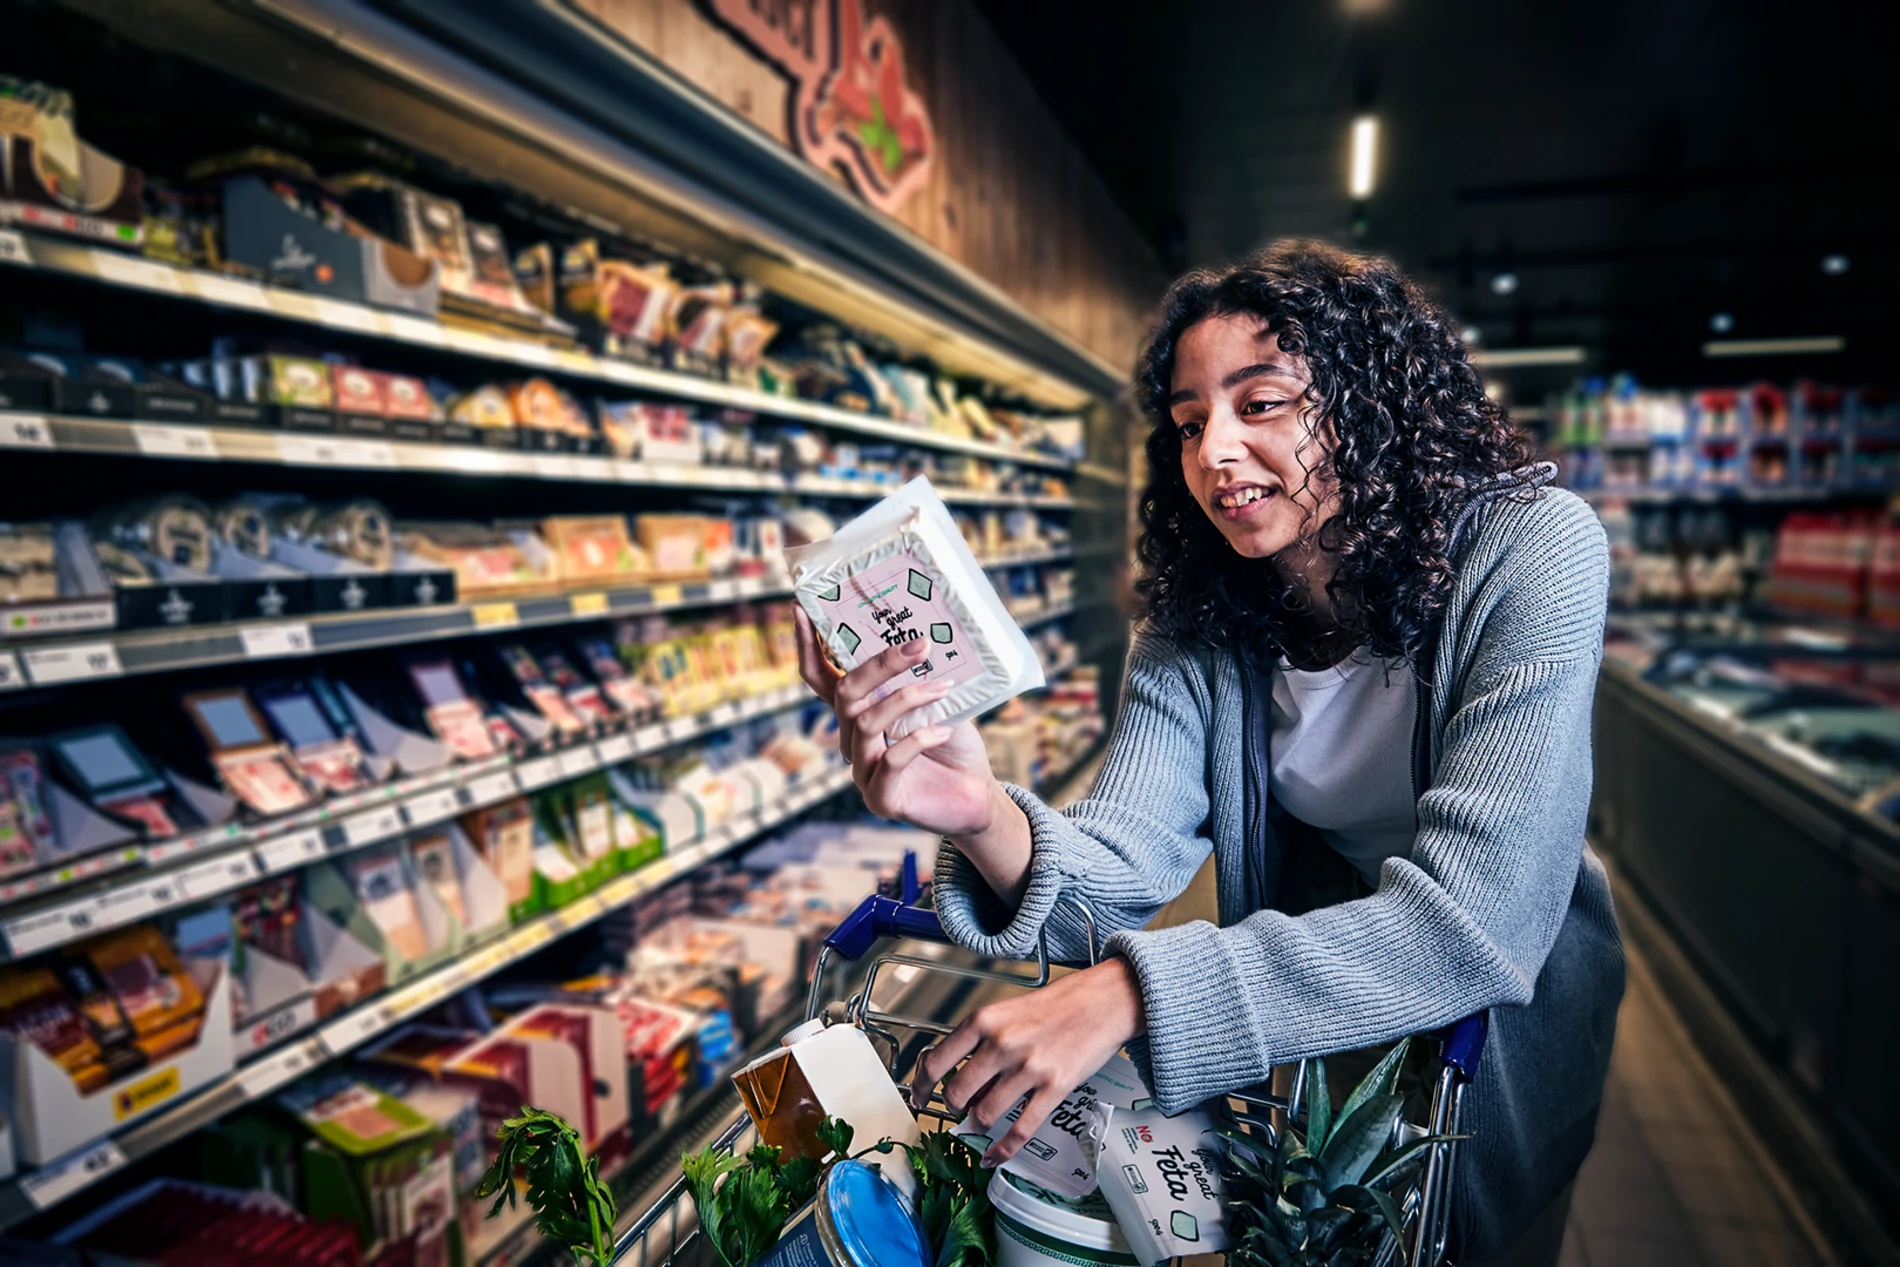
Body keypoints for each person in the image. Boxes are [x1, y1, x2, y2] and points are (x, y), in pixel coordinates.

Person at [793, 239, 1624, 1266]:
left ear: (1367, 405)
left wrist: (1131, 991)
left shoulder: (1532, 548)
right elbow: (1122, 869)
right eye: (1190, 423)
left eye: (1260, 402)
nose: (1214, 451)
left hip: (1510, 1026)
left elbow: (1477, 919)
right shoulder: (1200, 619)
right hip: (1316, 994)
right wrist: (978, 811)